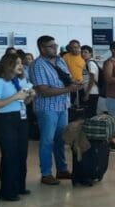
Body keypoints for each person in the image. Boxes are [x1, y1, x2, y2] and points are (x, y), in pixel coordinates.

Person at [32, 35, 82, 185]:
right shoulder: (38, 65)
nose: (55, 48)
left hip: (62, 106)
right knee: (47, 141)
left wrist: (75, 84)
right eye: (51, 46)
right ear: (42, 48)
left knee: (61, 139)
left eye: (56, 45)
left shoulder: (60, 60)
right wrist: (68, 88)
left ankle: (62, 170)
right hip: (47, 109)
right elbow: (43, 90)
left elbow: (66, 79)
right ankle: (46, 173)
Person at [0, 54, 35, 201]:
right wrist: (15, 97)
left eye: (21, 63)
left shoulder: (19, 80)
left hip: (21, 119)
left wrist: (30, 96)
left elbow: (23, 102)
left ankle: (19, 186)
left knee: (22, 154)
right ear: (8, 65)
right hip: (5, 120)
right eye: (17, 63)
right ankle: (7, 191)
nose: (21, 66)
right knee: (10, 155)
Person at [81, 45, 100, 119]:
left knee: (91, 115)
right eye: (82, 52)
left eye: (85, 52)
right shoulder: (88, 63)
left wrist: (87, 94)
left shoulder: (90, 63)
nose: (83, 54)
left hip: (92, 93)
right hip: (91, 92)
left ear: (90, 53)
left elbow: (92, 79)